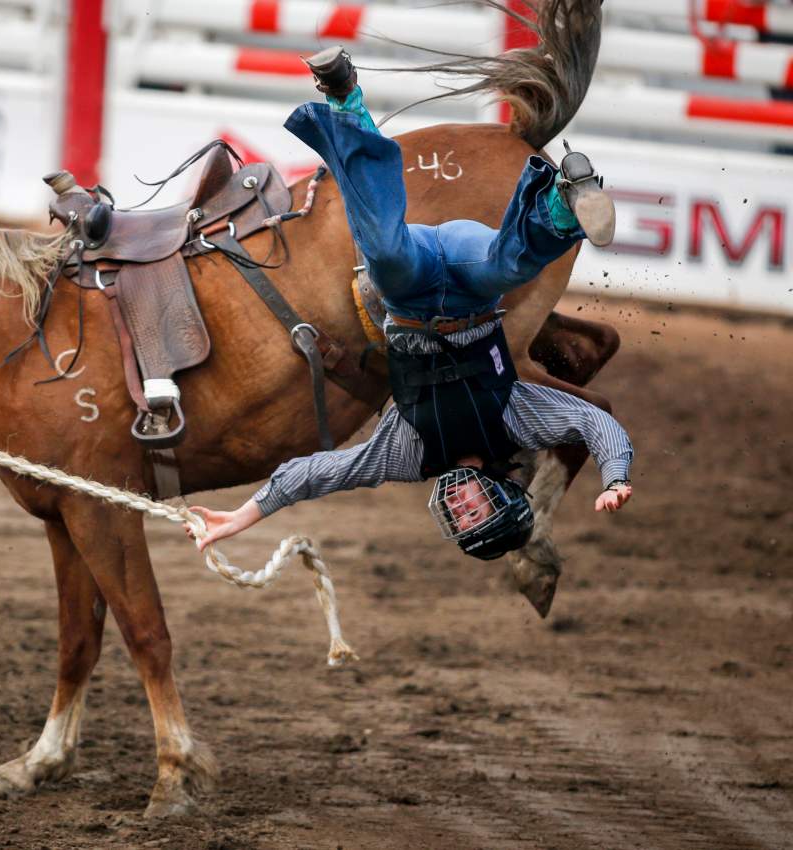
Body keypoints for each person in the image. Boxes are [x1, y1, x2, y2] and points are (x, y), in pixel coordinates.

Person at [187, 47, 633, 561]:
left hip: (410, 293)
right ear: (502, 494)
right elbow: (597, 424)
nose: (459, 509)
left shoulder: (406, 453)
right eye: (475, 514)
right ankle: (564, 200)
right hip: (471, 283)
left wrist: (237, 518)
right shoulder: (519, 420)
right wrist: (615, 476)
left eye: (459, 522)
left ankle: (345, 100)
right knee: (510, 266)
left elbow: (312, 474)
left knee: (381, 246)